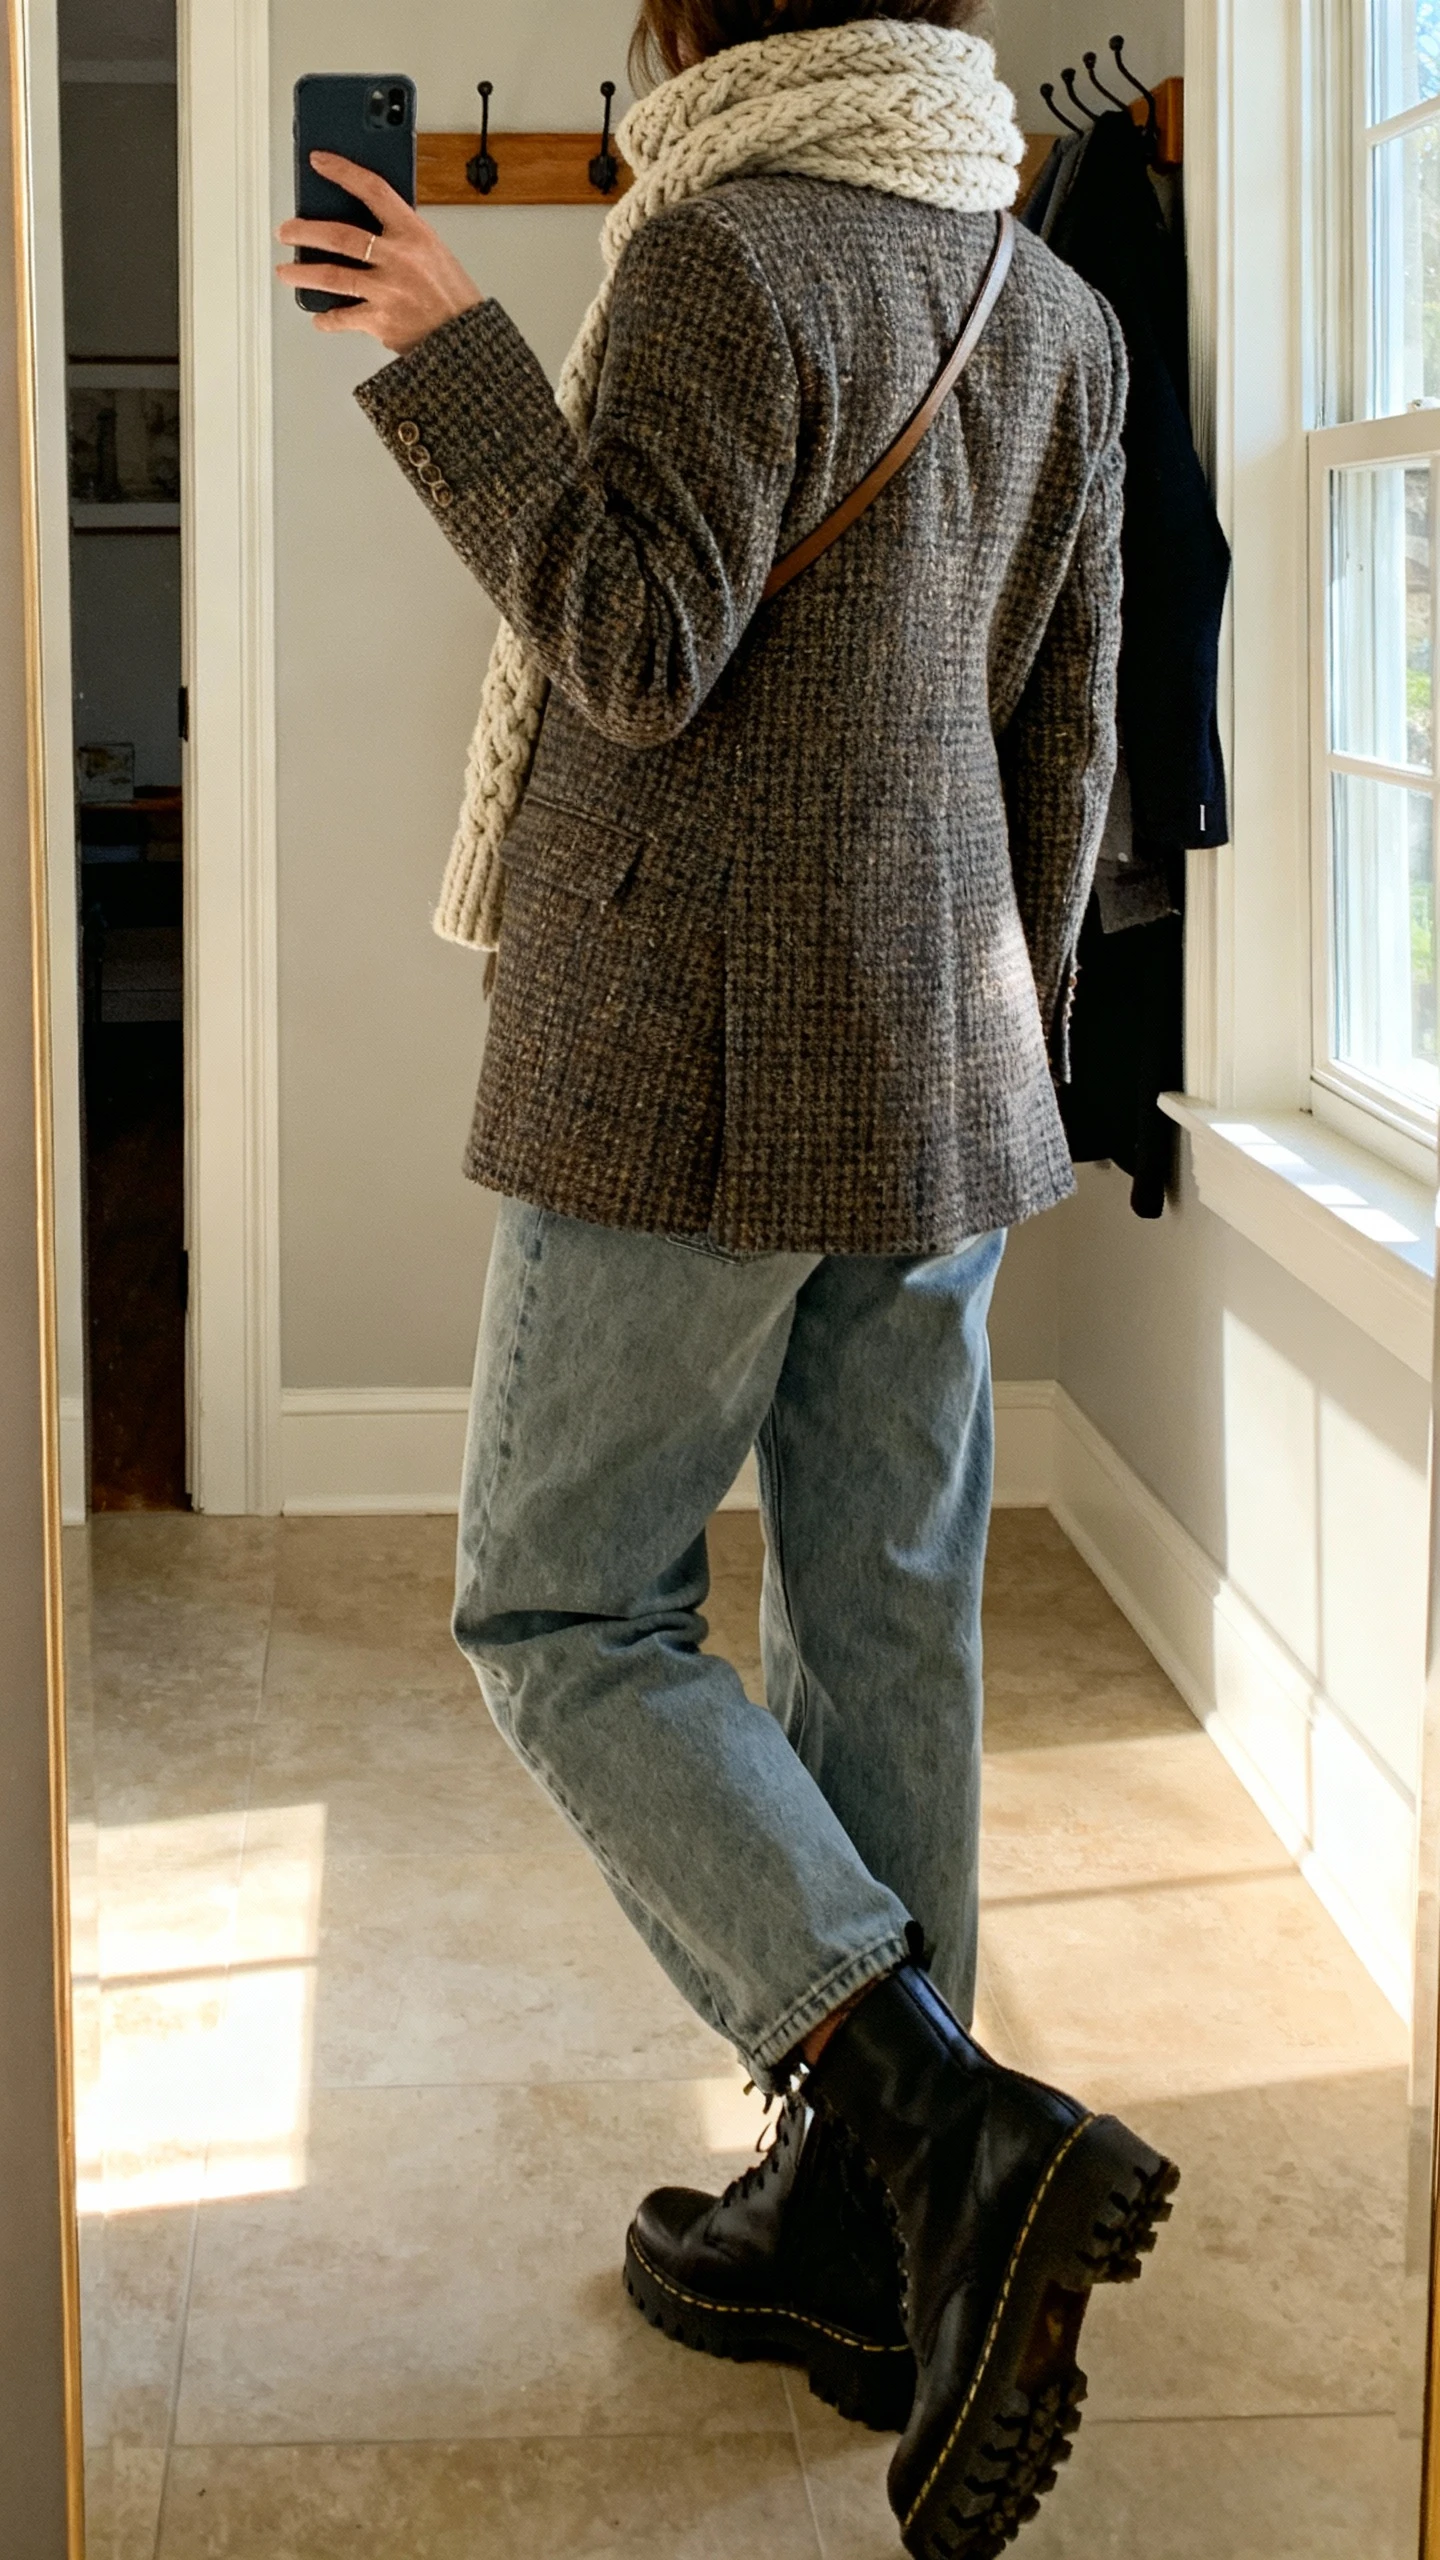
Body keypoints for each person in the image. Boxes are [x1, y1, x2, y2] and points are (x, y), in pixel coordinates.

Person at [278, 6, 1176, 2552]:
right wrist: (1009, 1061)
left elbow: (634, 644)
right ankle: (878, 2248)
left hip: (694, 1057)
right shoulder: (1050, 295)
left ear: (702, 20)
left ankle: (940, 2127)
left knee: (562, 1609)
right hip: (952, 1053)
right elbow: (1066, 736)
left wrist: (447, 355)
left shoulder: (717, 250)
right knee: (887, 1619)